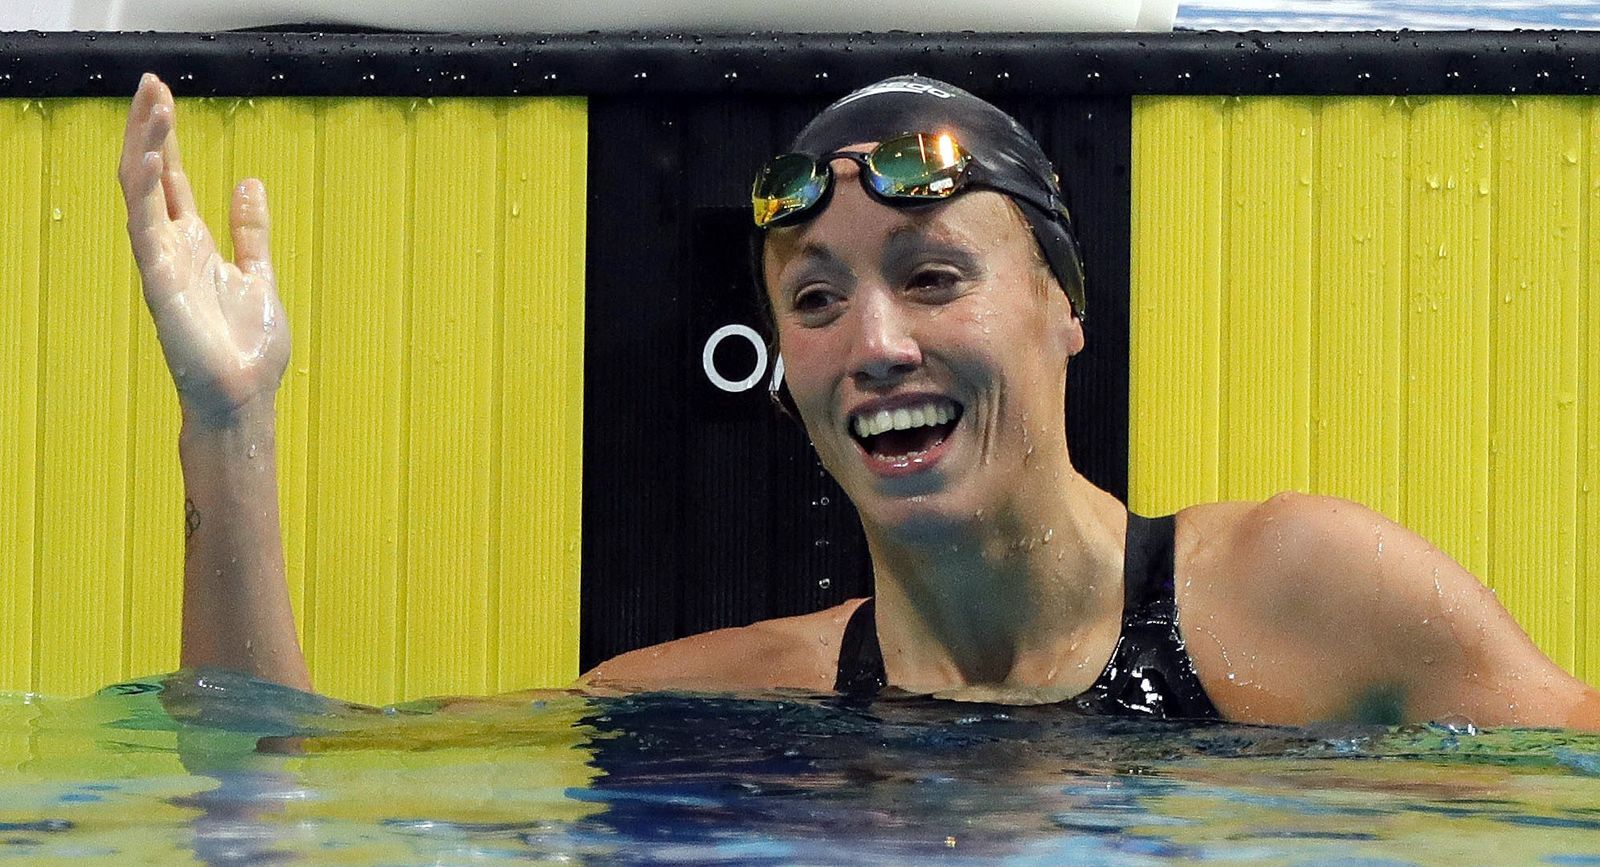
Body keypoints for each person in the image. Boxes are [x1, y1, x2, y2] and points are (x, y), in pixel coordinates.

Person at [119, 71, 1600, 728]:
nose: (875, 341)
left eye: (935, 275)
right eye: (816, 302)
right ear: (790, 379)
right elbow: (271, 787)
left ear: (1066, 309)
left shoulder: (1302, 592)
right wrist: (228, 431)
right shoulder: (725, 701)